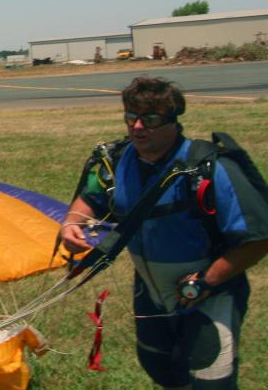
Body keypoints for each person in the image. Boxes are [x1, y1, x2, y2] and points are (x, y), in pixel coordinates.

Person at [59, 77, 268, 389]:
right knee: (160, 368)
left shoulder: (210, 168)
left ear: (174, 120)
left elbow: (259, 238)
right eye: (131, 117)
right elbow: (91, 196)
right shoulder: (116, 161)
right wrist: (71, 223)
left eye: (151, 119)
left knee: (211, 378)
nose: (138, 127)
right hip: (151, 291)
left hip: (209, 291)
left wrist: (207, 281)